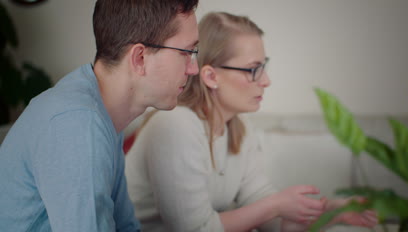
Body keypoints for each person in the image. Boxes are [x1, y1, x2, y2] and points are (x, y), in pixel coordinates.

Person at [125, 12, 378, 231]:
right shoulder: (175, 125)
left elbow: (273, 222)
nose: (266, 80)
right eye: (253, 69)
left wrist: (331, 212)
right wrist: (275, 205)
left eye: (263, 67)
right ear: (211, 76)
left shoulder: (240, 129)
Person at [0, 0, 199, 231]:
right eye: (186, 52)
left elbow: (125, 226)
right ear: (139, 58)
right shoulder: (77, 124)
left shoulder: (104, 115)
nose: (193, 68)